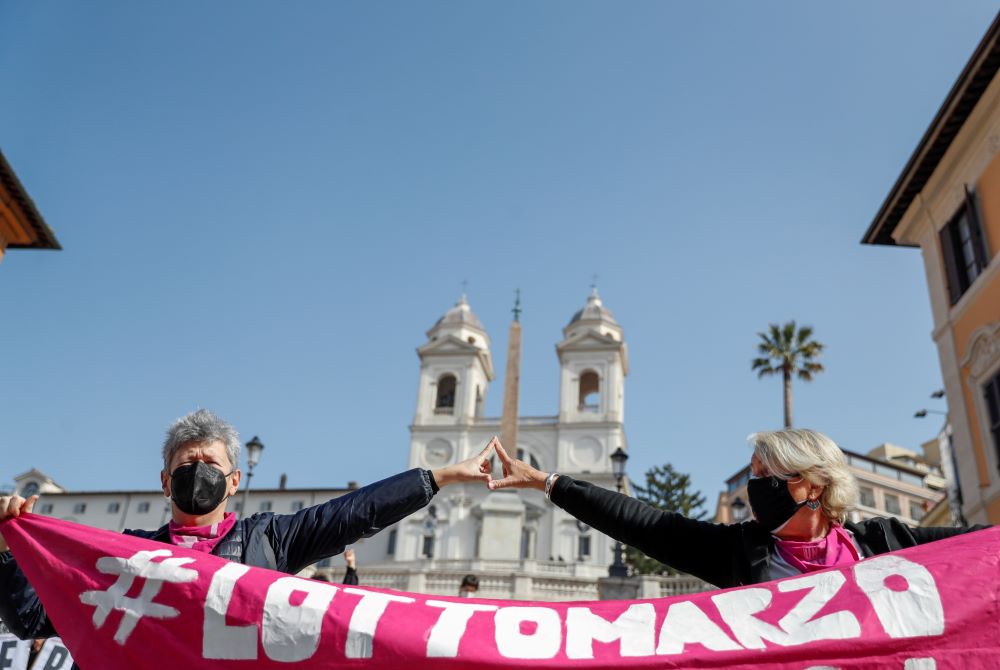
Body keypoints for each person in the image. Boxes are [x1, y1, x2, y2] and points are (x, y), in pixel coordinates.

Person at [0, 409, 498, 647]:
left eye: (210, 463)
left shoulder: (270, 539)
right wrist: (6, 548)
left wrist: (440, 476)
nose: (199, 472)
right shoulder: (126, 554)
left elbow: (355, 513)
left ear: (234, 481)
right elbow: (31, 619)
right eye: (186, 463)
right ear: (164, 482)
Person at [488, 428, 987, 588]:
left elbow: (982, 547)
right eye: (752, 474)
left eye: (767, 475)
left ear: (812, 485)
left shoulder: (884, 541)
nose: (755, 486)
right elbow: (645, 525)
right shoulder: (737, 552)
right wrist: (548, 482)